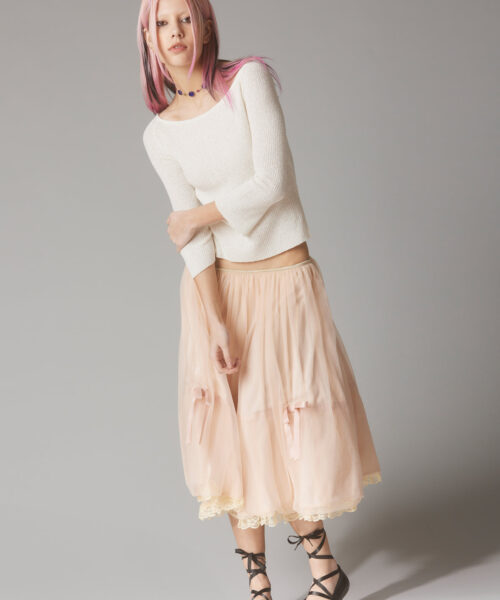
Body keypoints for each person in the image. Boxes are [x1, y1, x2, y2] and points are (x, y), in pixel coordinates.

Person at [137, 1, 382, 598]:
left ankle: (325, 570)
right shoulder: (160, 134)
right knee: (235, 437)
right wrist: (216, 321)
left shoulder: (249, 81)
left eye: (185, 18)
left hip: (284, 280)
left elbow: (272, 182)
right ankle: (259, 585)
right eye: (162, 23)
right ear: (148, 37)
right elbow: (195, 247)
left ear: (205, 24)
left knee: (288, 431)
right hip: (219, 293)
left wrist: (195, 215)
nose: (175, 32)